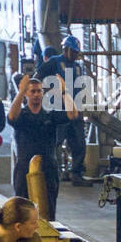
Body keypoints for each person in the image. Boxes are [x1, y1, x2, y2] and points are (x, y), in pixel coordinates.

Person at [9, 74, 77, 220]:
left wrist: (65, 92)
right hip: (24, 168)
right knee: (21, 210)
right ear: (27, 94)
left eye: (39, 91)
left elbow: (72, 114)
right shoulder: (22, 116)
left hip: (48, 167)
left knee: (48, 209)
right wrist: (20, 92)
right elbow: (12, 117)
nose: (36, 95)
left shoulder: (50, 115)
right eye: (32, 91)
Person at [38, 35, 90, 186]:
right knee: (56, 143)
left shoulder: (78, 67)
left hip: (75, 110)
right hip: (58, 111)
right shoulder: (54, 62)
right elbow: (37, 77)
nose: (75, 55)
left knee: (79, 143)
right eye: (73, 52)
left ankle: (76, 173)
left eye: (76, 53)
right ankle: (53, 172)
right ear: (65, 49)